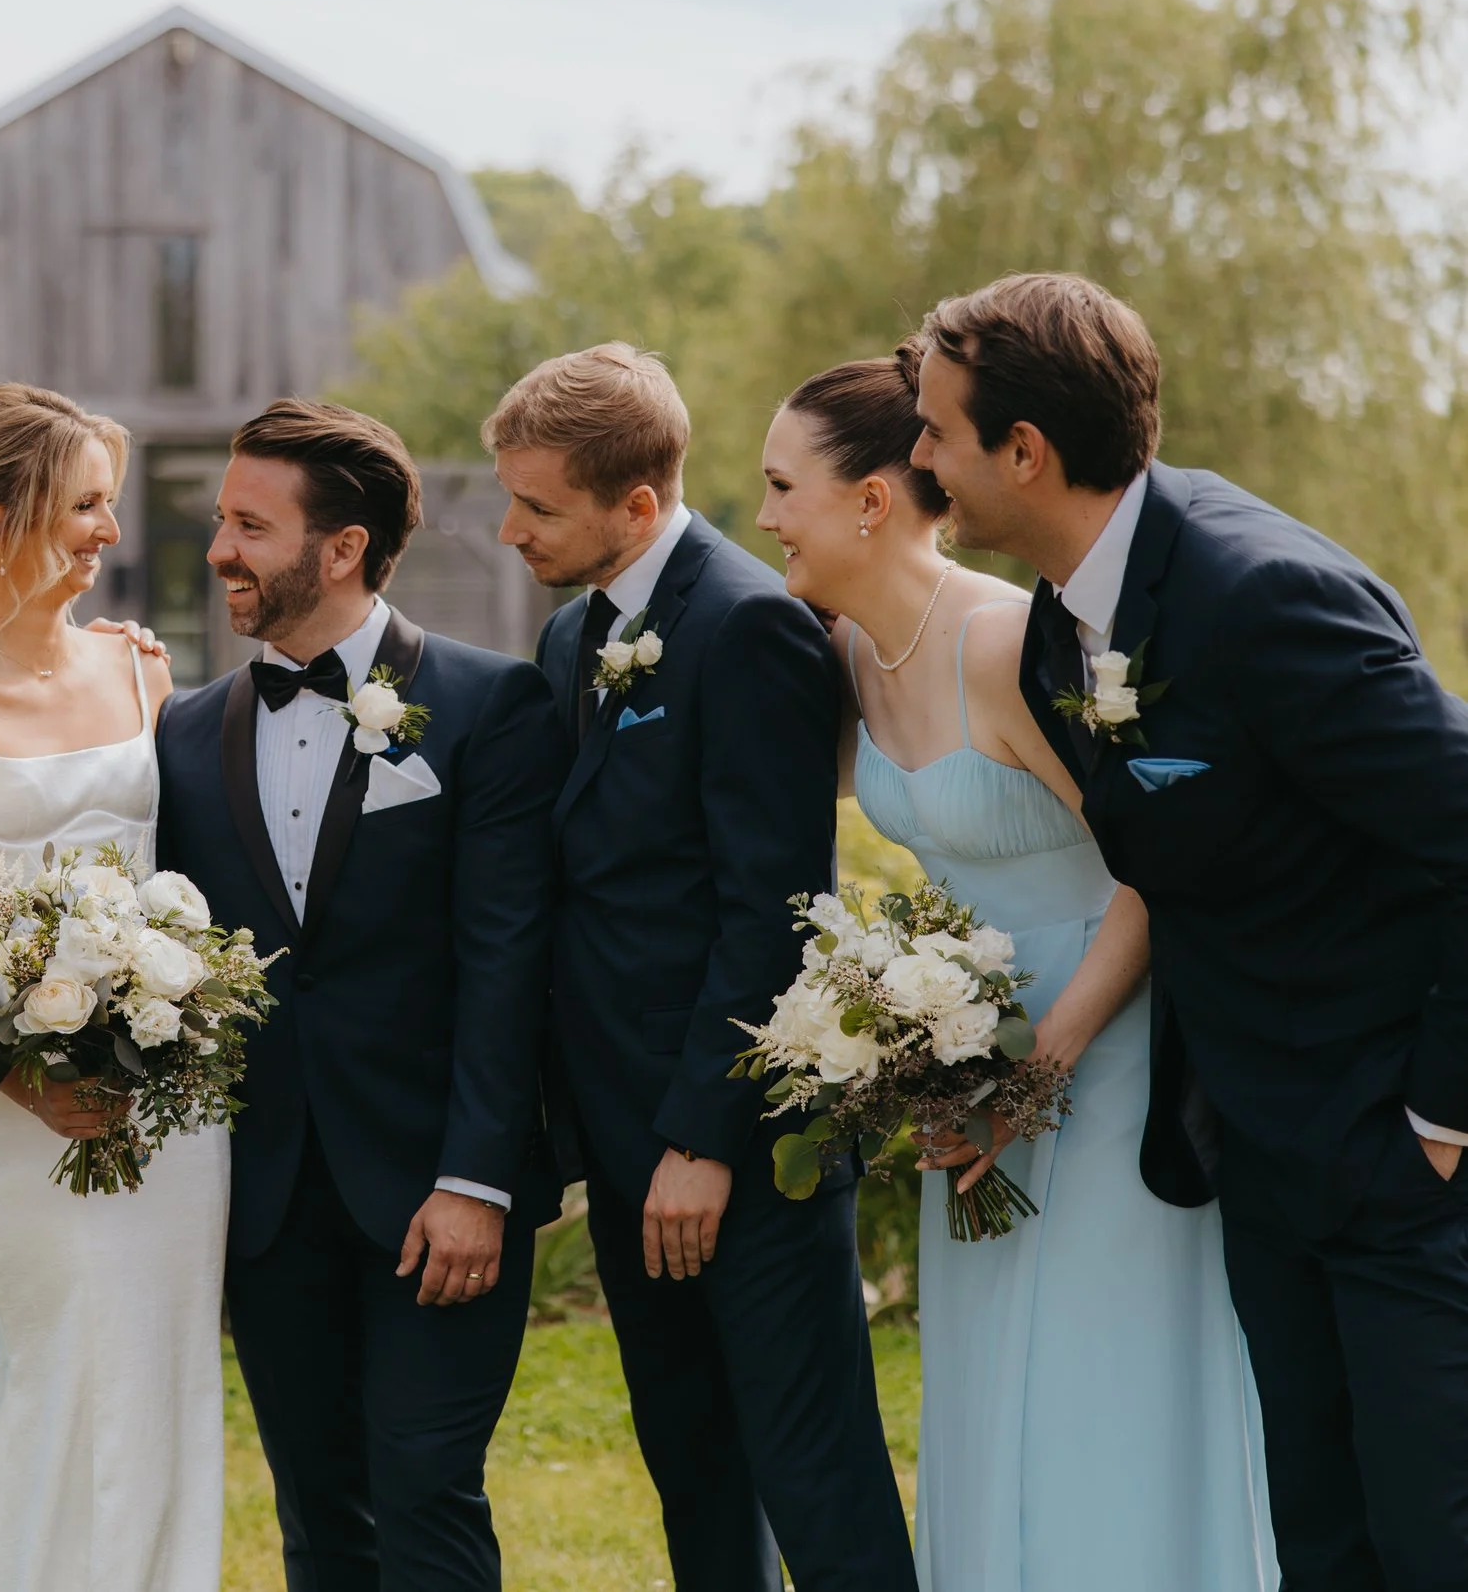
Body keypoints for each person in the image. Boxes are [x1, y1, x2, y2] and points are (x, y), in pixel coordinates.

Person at [910, 271, 1468, 1589]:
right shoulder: (1058, 626)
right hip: (1263, 1156)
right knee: (1321, 1540)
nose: (921, 455)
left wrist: (1440, 1120)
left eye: (935, 429)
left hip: (1399, 1154)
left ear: (1027, 452)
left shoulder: (1262, 595)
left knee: (1435, 1537)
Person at [756, 352, 1274, 1590]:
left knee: (1110, 1365)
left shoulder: (1001, 647)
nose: (765, 514)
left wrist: (1038, 1065)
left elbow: (1154, 872)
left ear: (871, 501)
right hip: (966, 1059)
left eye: (782, 486)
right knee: (995, 1370)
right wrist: (893, 1027)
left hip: (1105, 1044)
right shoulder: (843, 658)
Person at [499, 345, 913, 1591]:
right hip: (627, 1138)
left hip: (740, 1144)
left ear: (635, 503)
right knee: (693, 1465)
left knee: (813, 1470)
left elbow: (775, 913)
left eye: (537, 505)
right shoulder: (573, 635)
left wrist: (702, 1139)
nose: (509, 528)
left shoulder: (749, 626)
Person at [154, 399, 564, 1592]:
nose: (221, 548)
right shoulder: (180, 735)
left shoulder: (492, 704)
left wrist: (475, 1178)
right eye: (221, 519)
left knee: (426, 1487)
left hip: (438, 1188)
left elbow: (507, 958)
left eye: (248, 523)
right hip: (267, 1196)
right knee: (319, 1510)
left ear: (339, 548)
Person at [0, 383, 211, 1592]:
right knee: (64, 1376)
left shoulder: (140, 672)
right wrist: (26, 1076)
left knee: (162, 1379)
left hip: (172, 1106)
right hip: (15, 1114)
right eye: (84, 506)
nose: (109, 533)